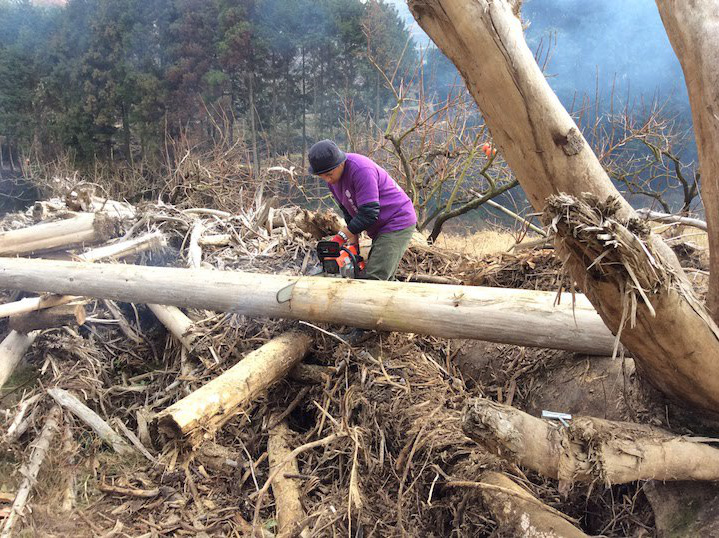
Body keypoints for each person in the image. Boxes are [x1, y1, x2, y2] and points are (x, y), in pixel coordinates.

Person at [308, 139, 417, 343]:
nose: (327, 179)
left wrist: (340, 237)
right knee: (385, 277)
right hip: (379, 226)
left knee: (374, 278)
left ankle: (364, 330)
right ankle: (398, 317)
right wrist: (353, 244)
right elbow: (349, 213)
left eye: (329, 174)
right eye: (322, 176)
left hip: (396, 221)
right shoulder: (333, 181)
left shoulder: (361, 170)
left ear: (340, 162)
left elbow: (368, 213)